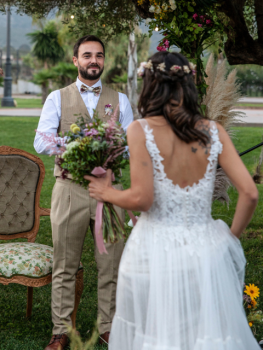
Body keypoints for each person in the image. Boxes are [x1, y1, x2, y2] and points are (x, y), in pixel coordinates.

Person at [85, 51, 260, 350]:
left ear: (150, 84)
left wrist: (106, 193)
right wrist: (230, 239)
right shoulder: (212, 131)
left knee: (156, 334)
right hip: (206, 251)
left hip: (154, 249)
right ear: (188, 83)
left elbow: (142, 198)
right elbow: (250, 193)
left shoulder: (140, 130)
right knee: (201, 335)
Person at [34, 35, 133, 350]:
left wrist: (114, 149)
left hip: (110, 192)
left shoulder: (121, 100)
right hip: (69, 189)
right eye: (87, 55)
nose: (94, 60)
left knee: (111, 264)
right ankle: (61, 331)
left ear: (104, 61)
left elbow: (133, 145)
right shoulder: (57, 98)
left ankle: (108, 327)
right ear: (75, 60)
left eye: (99, 55)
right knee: (65, 263)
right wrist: (78, 144)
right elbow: (41, 142)